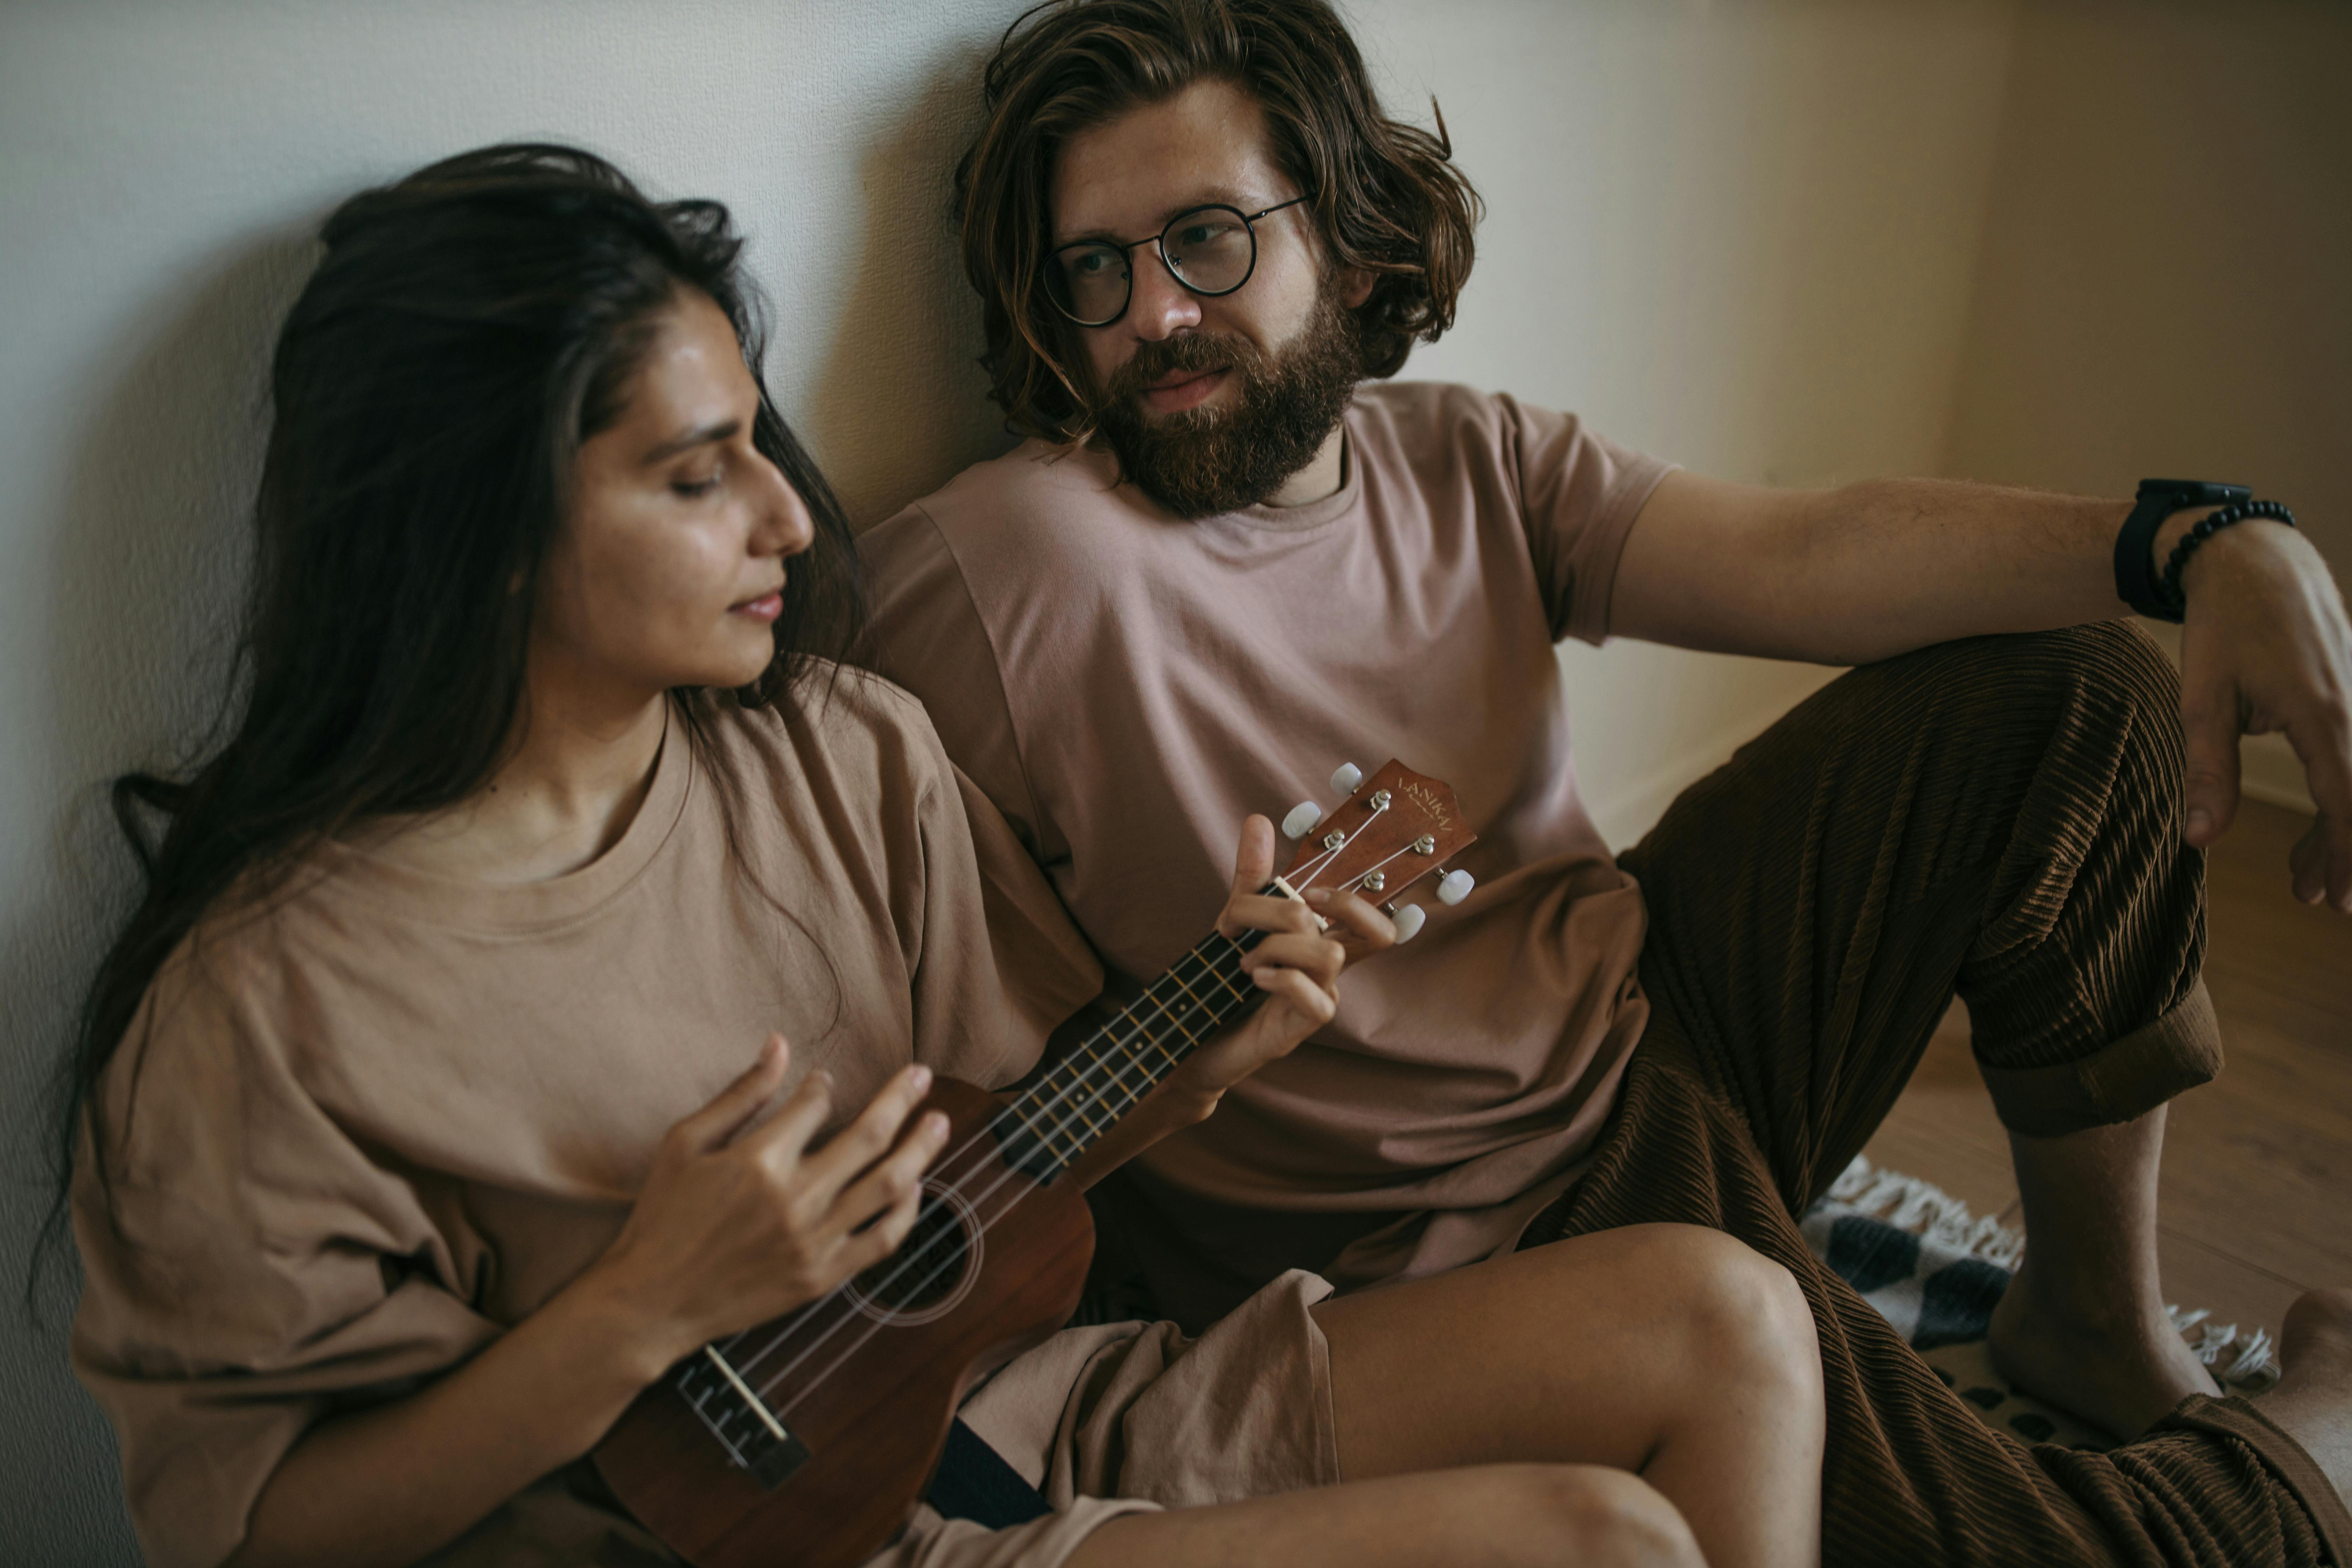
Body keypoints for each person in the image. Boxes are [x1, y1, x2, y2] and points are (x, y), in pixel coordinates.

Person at [57, 144, 1829, 1568]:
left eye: (762, 440)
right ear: (482, 539)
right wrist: (637, 1309)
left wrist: (1199, 1058)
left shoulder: (839, 749)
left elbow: (1014, 1161)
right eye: (696, 477)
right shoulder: (266, 1011)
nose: (786, 514)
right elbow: (265, 1524)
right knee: (1599, 1540)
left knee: (1735, 1315)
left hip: (1019, 1411)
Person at [856, 2, 2352, 1564]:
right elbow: (751, 727)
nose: (1152, 313)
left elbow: (1807, 547)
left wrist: (2202, 535)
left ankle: (2088, 1325)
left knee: (2081, 689)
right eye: (1097, 267)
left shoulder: (1465, 456)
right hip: (1470, 1243)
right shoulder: (1019, 565)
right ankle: (2322, 1433)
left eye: (1208, 239)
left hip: (1647, 1014)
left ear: (1355, 242)